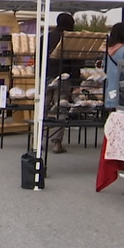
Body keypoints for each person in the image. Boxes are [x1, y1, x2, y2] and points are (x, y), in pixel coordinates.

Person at [45, 12, 76, 154]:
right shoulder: (69, 38)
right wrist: (75, 80)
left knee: (43, 108)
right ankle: (56, 142)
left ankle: (37, 139)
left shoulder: (46, 37)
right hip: (64, 76)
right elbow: (74, 60)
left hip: (47, 76)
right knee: (60, 108)